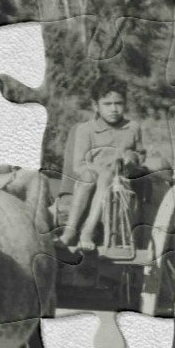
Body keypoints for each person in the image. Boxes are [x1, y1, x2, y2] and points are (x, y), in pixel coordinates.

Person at [58, 77, 149, 250]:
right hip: (90, 178)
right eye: (107, 104)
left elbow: (140, 156)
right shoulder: (86, 129)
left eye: (118, 103)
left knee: (108, 176)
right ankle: (69, 232)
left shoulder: (132, 128)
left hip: (120, 183)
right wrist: (102, 171)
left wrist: (132, 158)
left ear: (125, 104)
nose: (114, 109)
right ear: (95, 106)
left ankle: (88, 231)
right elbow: (78, 164)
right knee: (92, 175)